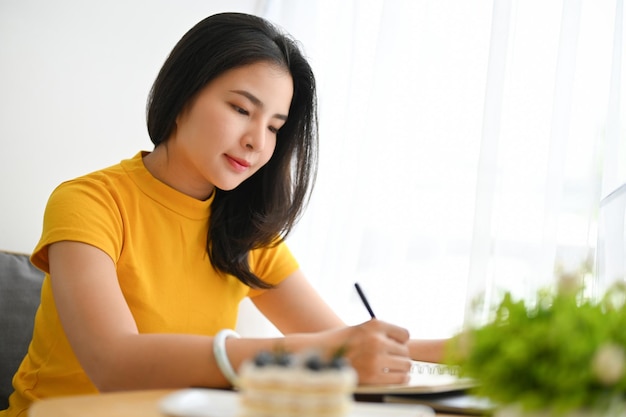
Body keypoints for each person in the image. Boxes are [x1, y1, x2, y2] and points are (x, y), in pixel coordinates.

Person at [1, 12, 446, 416]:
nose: (257, 141)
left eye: (274, 126)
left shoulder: (246, 232)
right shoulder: (89, 202)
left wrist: (452, 351)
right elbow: (114, 364)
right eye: (240, 109)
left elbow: (344, 341)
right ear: (182, 95)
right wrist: (319, 353)